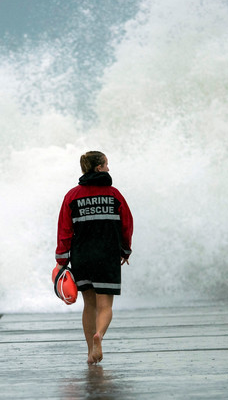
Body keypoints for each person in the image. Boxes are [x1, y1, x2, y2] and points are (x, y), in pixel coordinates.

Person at [56, 151, 133, 364]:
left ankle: (90, 350)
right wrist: (125, 250)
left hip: (81, 256)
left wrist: (62, 259)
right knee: (105, 306)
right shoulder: (114, 194)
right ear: (99, 168)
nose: (108, 168)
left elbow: (64, 229)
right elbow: (126, 224)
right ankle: (99, 334)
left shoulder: (72, 196)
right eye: (106, 164)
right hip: (107, 255)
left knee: (89, 305)